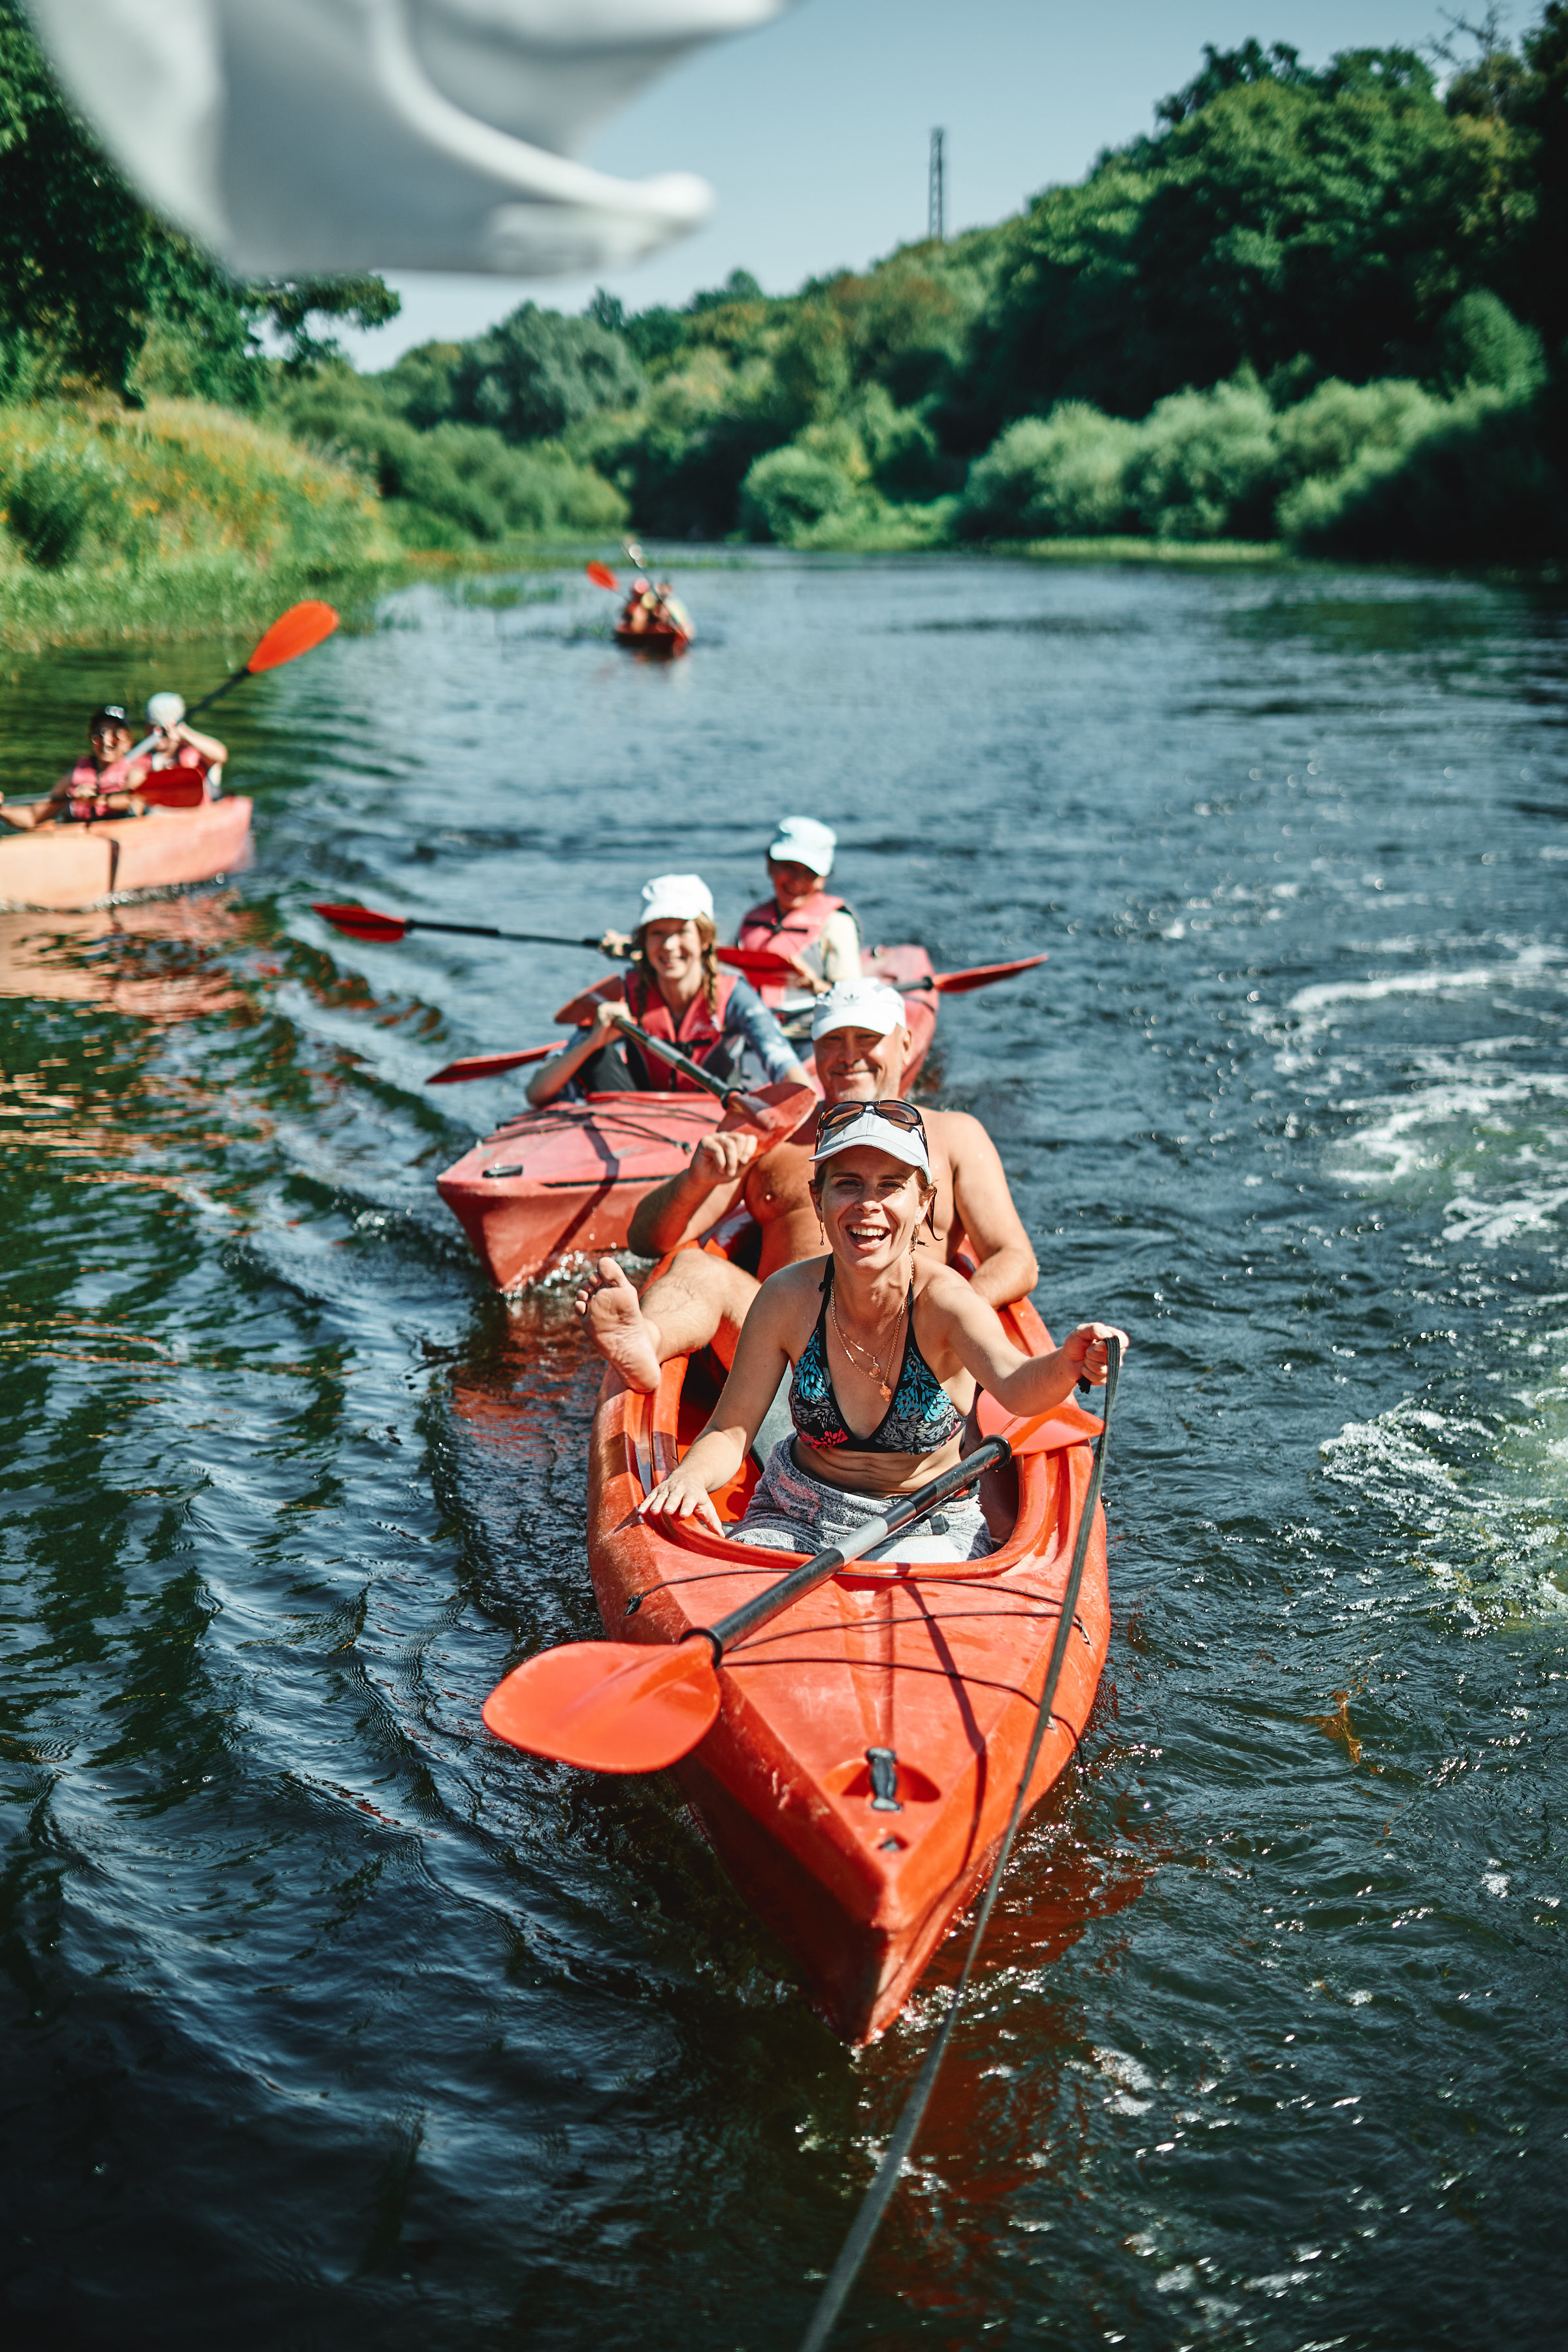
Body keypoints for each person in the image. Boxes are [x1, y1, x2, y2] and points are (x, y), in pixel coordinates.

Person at [635, 1098, 1128, 1558]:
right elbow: (729, 1430)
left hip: (924, 1522)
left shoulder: (947, 1302)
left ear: (922, 1204)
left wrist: (1067, 1364)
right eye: (847, 1183)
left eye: (890, 1185)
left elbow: (1017, 1386)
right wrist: (693, 1478)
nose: (867, 1204)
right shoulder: (785, 1298)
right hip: (795, 1513)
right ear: (818, 1199)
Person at [577, 977, 1039, 1398]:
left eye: (868, 1039)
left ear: (905, 1043)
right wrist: (698, 1179)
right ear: (814, 1050)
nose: (849, 1054)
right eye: (833, 1040)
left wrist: (954, 1318)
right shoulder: (771, 1128)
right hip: (784, 1350)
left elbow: (1014, 1257)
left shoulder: (956, 1134)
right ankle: (644, 1343)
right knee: (696, 1266)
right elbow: (647, 1240)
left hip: (905, 1351)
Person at [527, 873, 811, 1107]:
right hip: (638, 1122)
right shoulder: (623, 994)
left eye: (681, 932)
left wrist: (810, 1109)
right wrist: (594, 1041)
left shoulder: (735, 996)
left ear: (704, 939)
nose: (669, 946)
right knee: (596, 1057)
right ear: (644, 941)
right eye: (657, 933)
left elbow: (781, 1060)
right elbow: (535, 1094)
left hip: (712, 1120)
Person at [736, 816, 861, 999]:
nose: (797, 881)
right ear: (770, 866)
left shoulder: (837, 925)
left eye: (809, 872)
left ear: (823, 879)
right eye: (788, 867)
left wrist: (816, 985)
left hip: (807, 1026)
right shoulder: (751, 919)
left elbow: (852, 1000)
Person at [0, 706, 150, 830]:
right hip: (77, 838)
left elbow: (135, 802)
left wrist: (95, 801)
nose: (106, 741)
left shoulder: (136, 775)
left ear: (128, 742)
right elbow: (32, 817)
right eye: (98, 735)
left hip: (117, 834)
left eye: (116, 735)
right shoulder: (73, 778)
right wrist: (1, 810)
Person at [144, 693, 228, 794]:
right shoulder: (142, 758)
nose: (156, 732)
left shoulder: (200, 755)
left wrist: (184, 734)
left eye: (162, 730)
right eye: (152, 726)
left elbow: (221, 755)